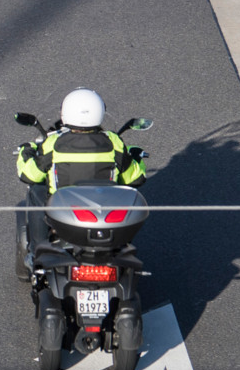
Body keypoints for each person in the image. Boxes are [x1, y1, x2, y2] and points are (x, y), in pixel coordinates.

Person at [15, 87, 146, 268]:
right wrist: (136, 157)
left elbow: (29, 175)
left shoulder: (53, 143)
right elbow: (135, 178)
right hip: (104, 214)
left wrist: (26, 151)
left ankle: (37, 250)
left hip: (63, 215)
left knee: (36, 191)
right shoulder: (113, 142)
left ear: (66, 113)